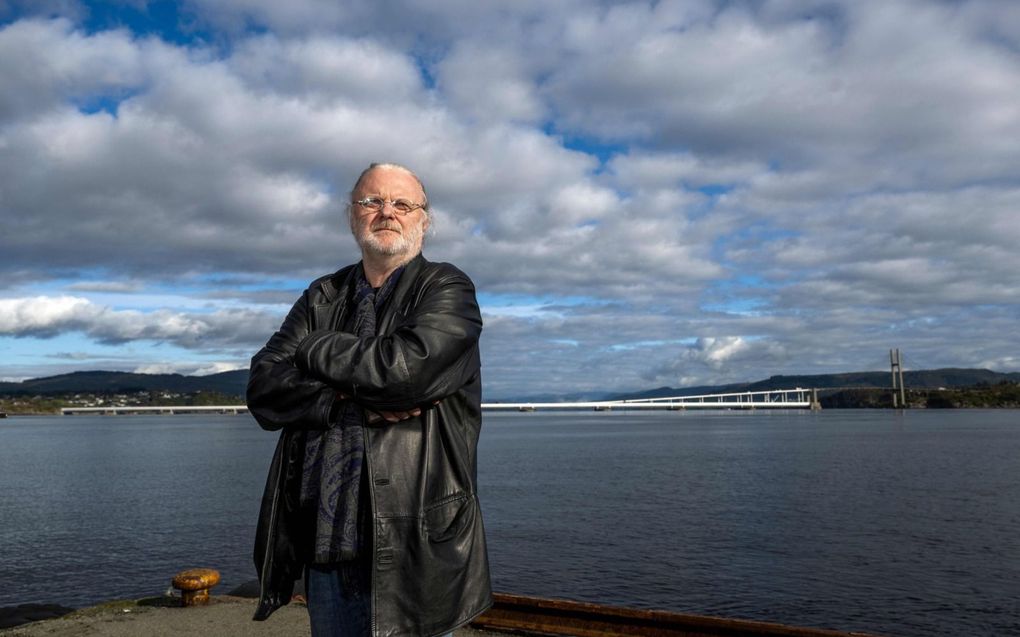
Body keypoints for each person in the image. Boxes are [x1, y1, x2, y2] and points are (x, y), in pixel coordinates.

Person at [246, 163, 492, 637]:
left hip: (413, 550)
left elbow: (404, 373)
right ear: (352, 216)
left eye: (402, 203)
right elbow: (263, 386)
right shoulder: (323, 294)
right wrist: (339, 401)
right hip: (325, 548)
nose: (387, 212)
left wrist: (313, 349)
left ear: (424, 219)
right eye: (371, 201)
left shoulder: (447, 288)